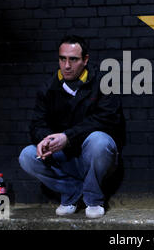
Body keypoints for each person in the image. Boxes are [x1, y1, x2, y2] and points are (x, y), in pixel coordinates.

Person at [19, 35, 124, 218]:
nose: (67, 65)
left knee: (99, 140)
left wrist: (68, 137)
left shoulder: (102, 83)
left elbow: (109, 120)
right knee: (27, 156)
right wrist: (46, 139)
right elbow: (37, 124)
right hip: (65, 159)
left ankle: (93, 198)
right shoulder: (48, 88)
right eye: (62, 59)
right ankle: (72, 192)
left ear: (85, 60)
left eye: (73, 59)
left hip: (95, 158)